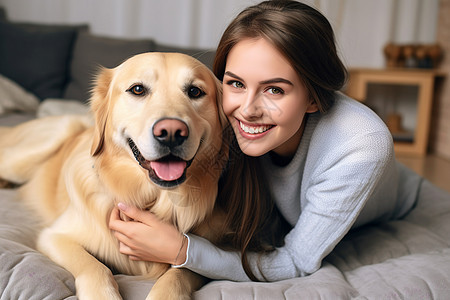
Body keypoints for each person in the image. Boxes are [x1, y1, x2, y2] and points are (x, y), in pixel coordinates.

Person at [109, 0, 420, 282]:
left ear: (313, 98)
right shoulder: (216, 114)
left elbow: (295, 262)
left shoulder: (362, 146)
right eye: (236, 84)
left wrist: (182, 250)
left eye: (275, 90)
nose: (247, 111)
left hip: (384, 202)